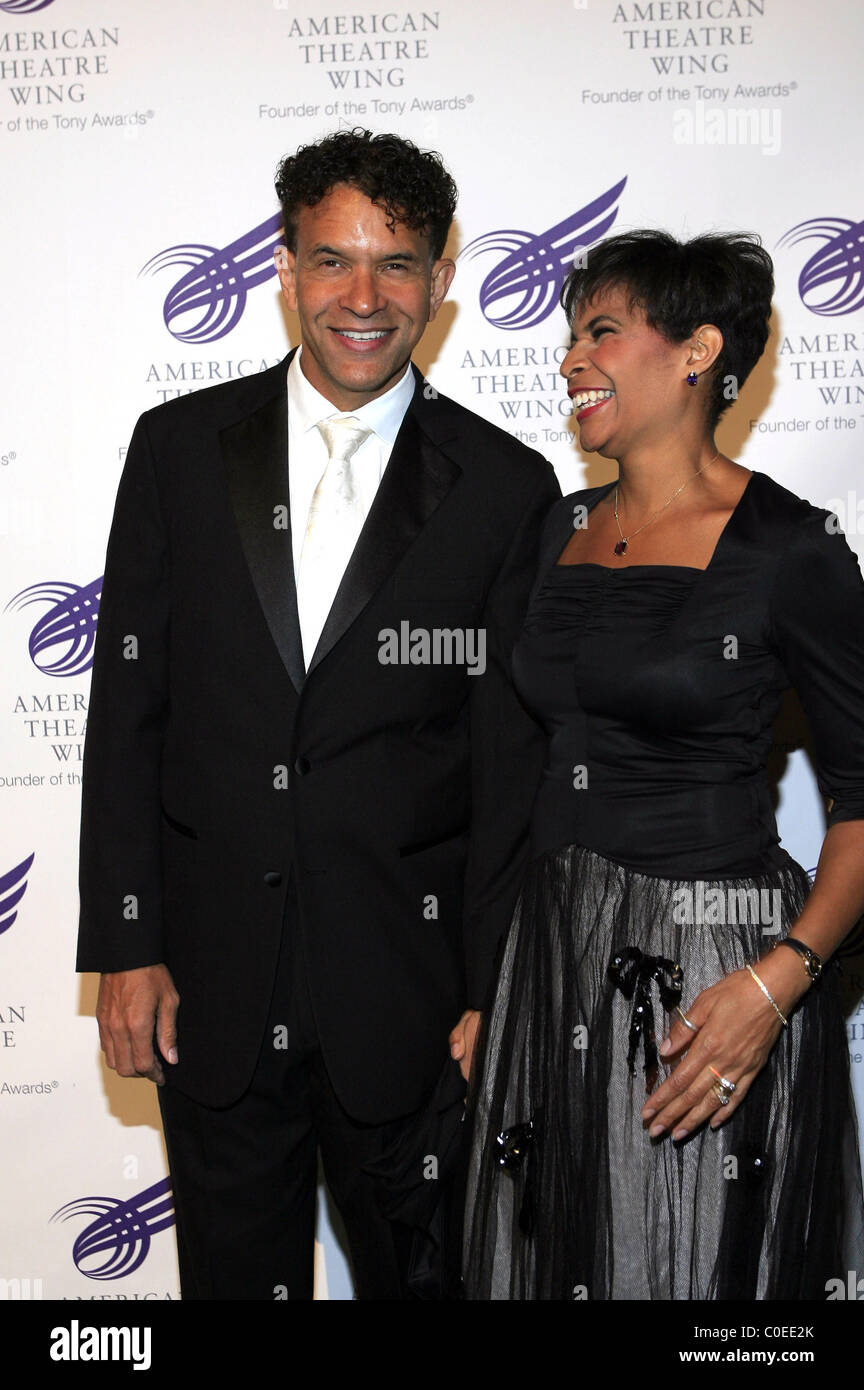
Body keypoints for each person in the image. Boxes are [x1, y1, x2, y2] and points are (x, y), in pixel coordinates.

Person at [76, 128, 560, 1300]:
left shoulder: (506, 488)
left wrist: (498, 988)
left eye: (396, 264)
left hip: (414, 999)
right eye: (332, 259)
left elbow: (513, 770)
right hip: (213, 986)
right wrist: (128, 942)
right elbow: (130, 703)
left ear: (442, 283)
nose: (362, 296)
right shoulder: (180, 449)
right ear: (282, 267)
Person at [462, 230, 864, 1300]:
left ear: (696, 352)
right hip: (552, 966)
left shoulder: (792, 550)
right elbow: (530, 766)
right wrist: (491, 992)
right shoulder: (560, 529)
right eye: (568, 336)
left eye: (601, 332)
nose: (567, 361)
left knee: (685, 1274)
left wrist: (778, 983)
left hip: (706, 978)